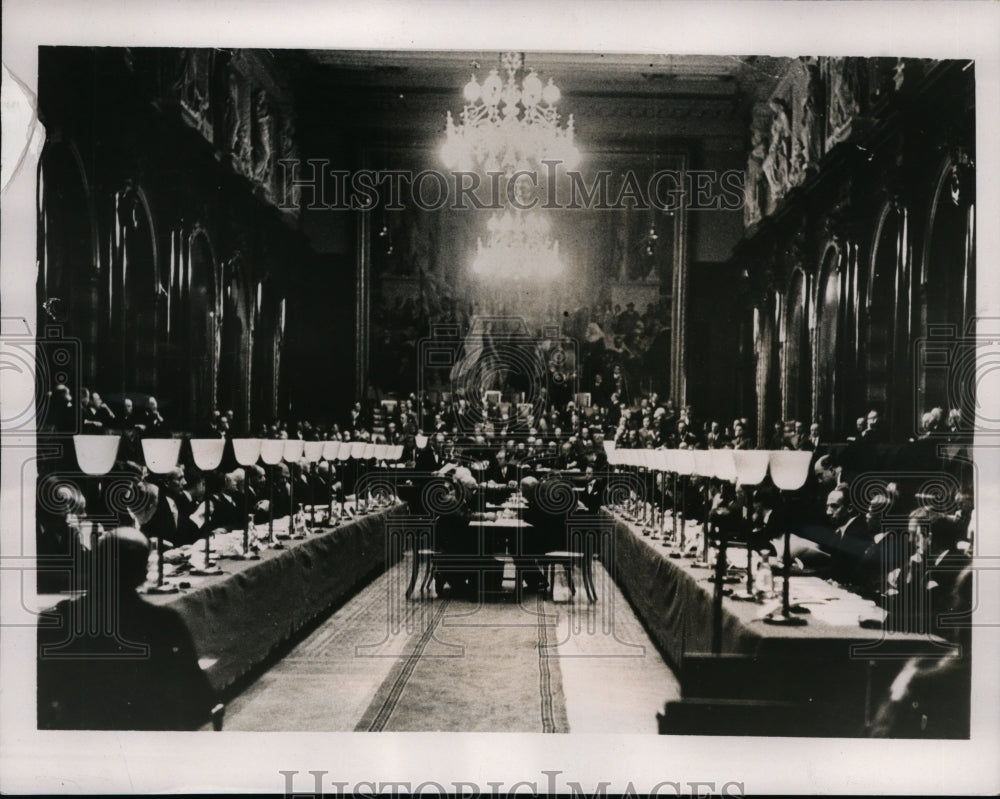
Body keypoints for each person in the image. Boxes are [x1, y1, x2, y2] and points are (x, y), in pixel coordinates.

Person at [37, 526, 215, 729]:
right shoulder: (164, 622)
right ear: (143, 573)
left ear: (96, 564)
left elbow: (41, 694)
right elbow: (197, 699)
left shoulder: (60, 618)